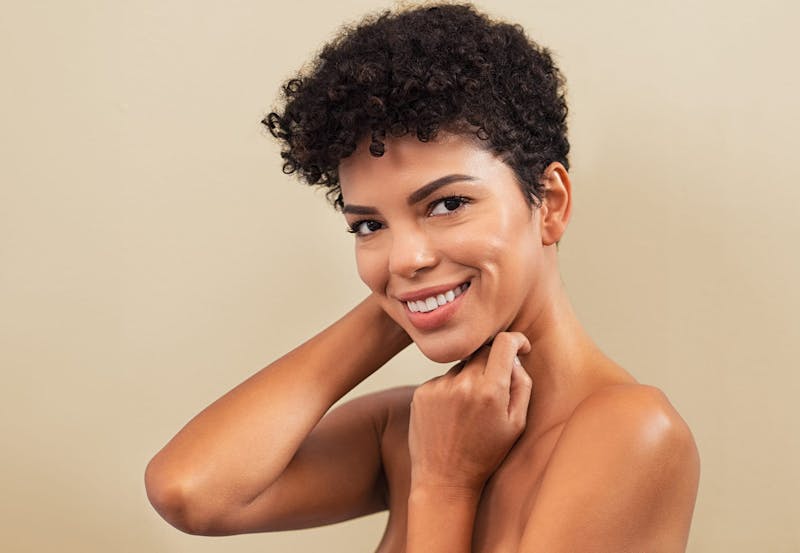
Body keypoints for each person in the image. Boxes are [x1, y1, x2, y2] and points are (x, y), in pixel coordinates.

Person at [144, 4, 700, 551]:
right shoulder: (422, 426)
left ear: (549, 204)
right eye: (369, 225)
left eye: (447, 204)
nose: (403, 255)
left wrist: (444, 487)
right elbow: (190, 491)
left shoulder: (630, 431)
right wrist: (404, 296)